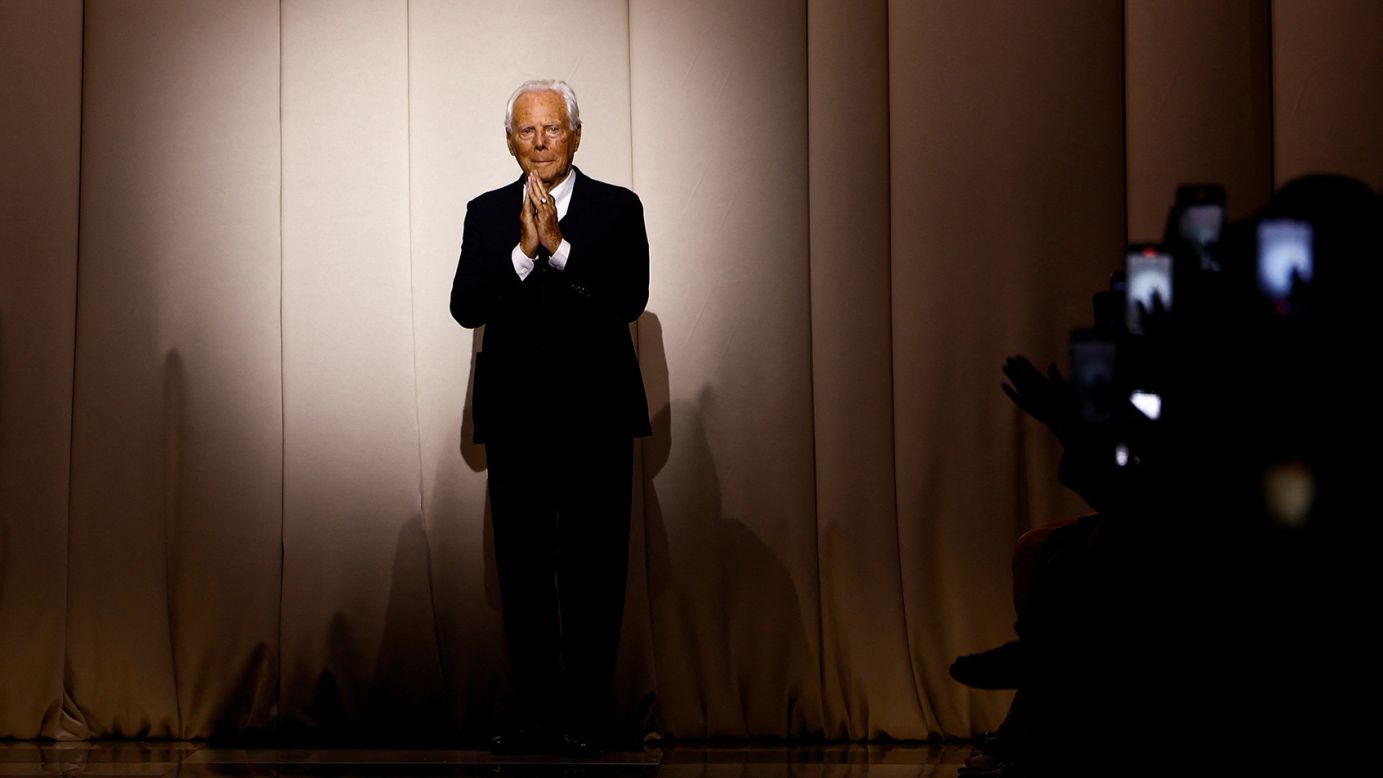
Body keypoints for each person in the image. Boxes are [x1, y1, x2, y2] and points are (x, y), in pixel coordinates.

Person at [449, 80, 651, 755]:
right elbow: (466, 307)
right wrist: (522, 253)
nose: (540, 142)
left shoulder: (618, 209)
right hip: (517, 424)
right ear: (509, 140)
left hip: (597, 421)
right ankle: (535, 715)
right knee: (524, 573)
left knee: (596, 571)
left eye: (553, 128)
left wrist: (560, 249)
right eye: (527, 131)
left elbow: (628, 299)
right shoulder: (484, 214)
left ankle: (590, 717)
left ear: (575, 135)